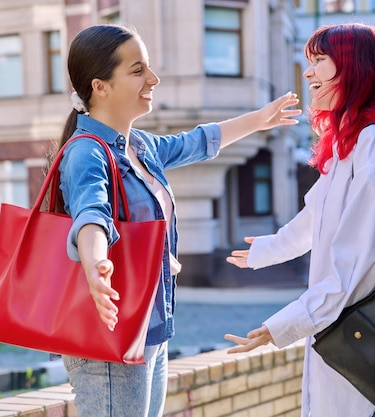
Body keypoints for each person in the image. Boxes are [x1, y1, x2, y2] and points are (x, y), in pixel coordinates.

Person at [55, 24, 300, 417]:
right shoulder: (87, 153)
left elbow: (198, 142)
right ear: (100, 86)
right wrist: (96, 263)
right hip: (110, 335)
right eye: (137, 71)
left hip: (150, 325)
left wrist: (260, 119)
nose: (153, 79)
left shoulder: (140, 146)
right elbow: (91, 215)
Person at [224, 23, 375, 417]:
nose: (308, 73)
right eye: (309, 62)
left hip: (367, 346)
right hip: (353, 340)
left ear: (355, 67)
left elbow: (355, 265)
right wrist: (266, 250)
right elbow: (315, 217)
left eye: (320, 61)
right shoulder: (353, 143)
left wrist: (282, 325)